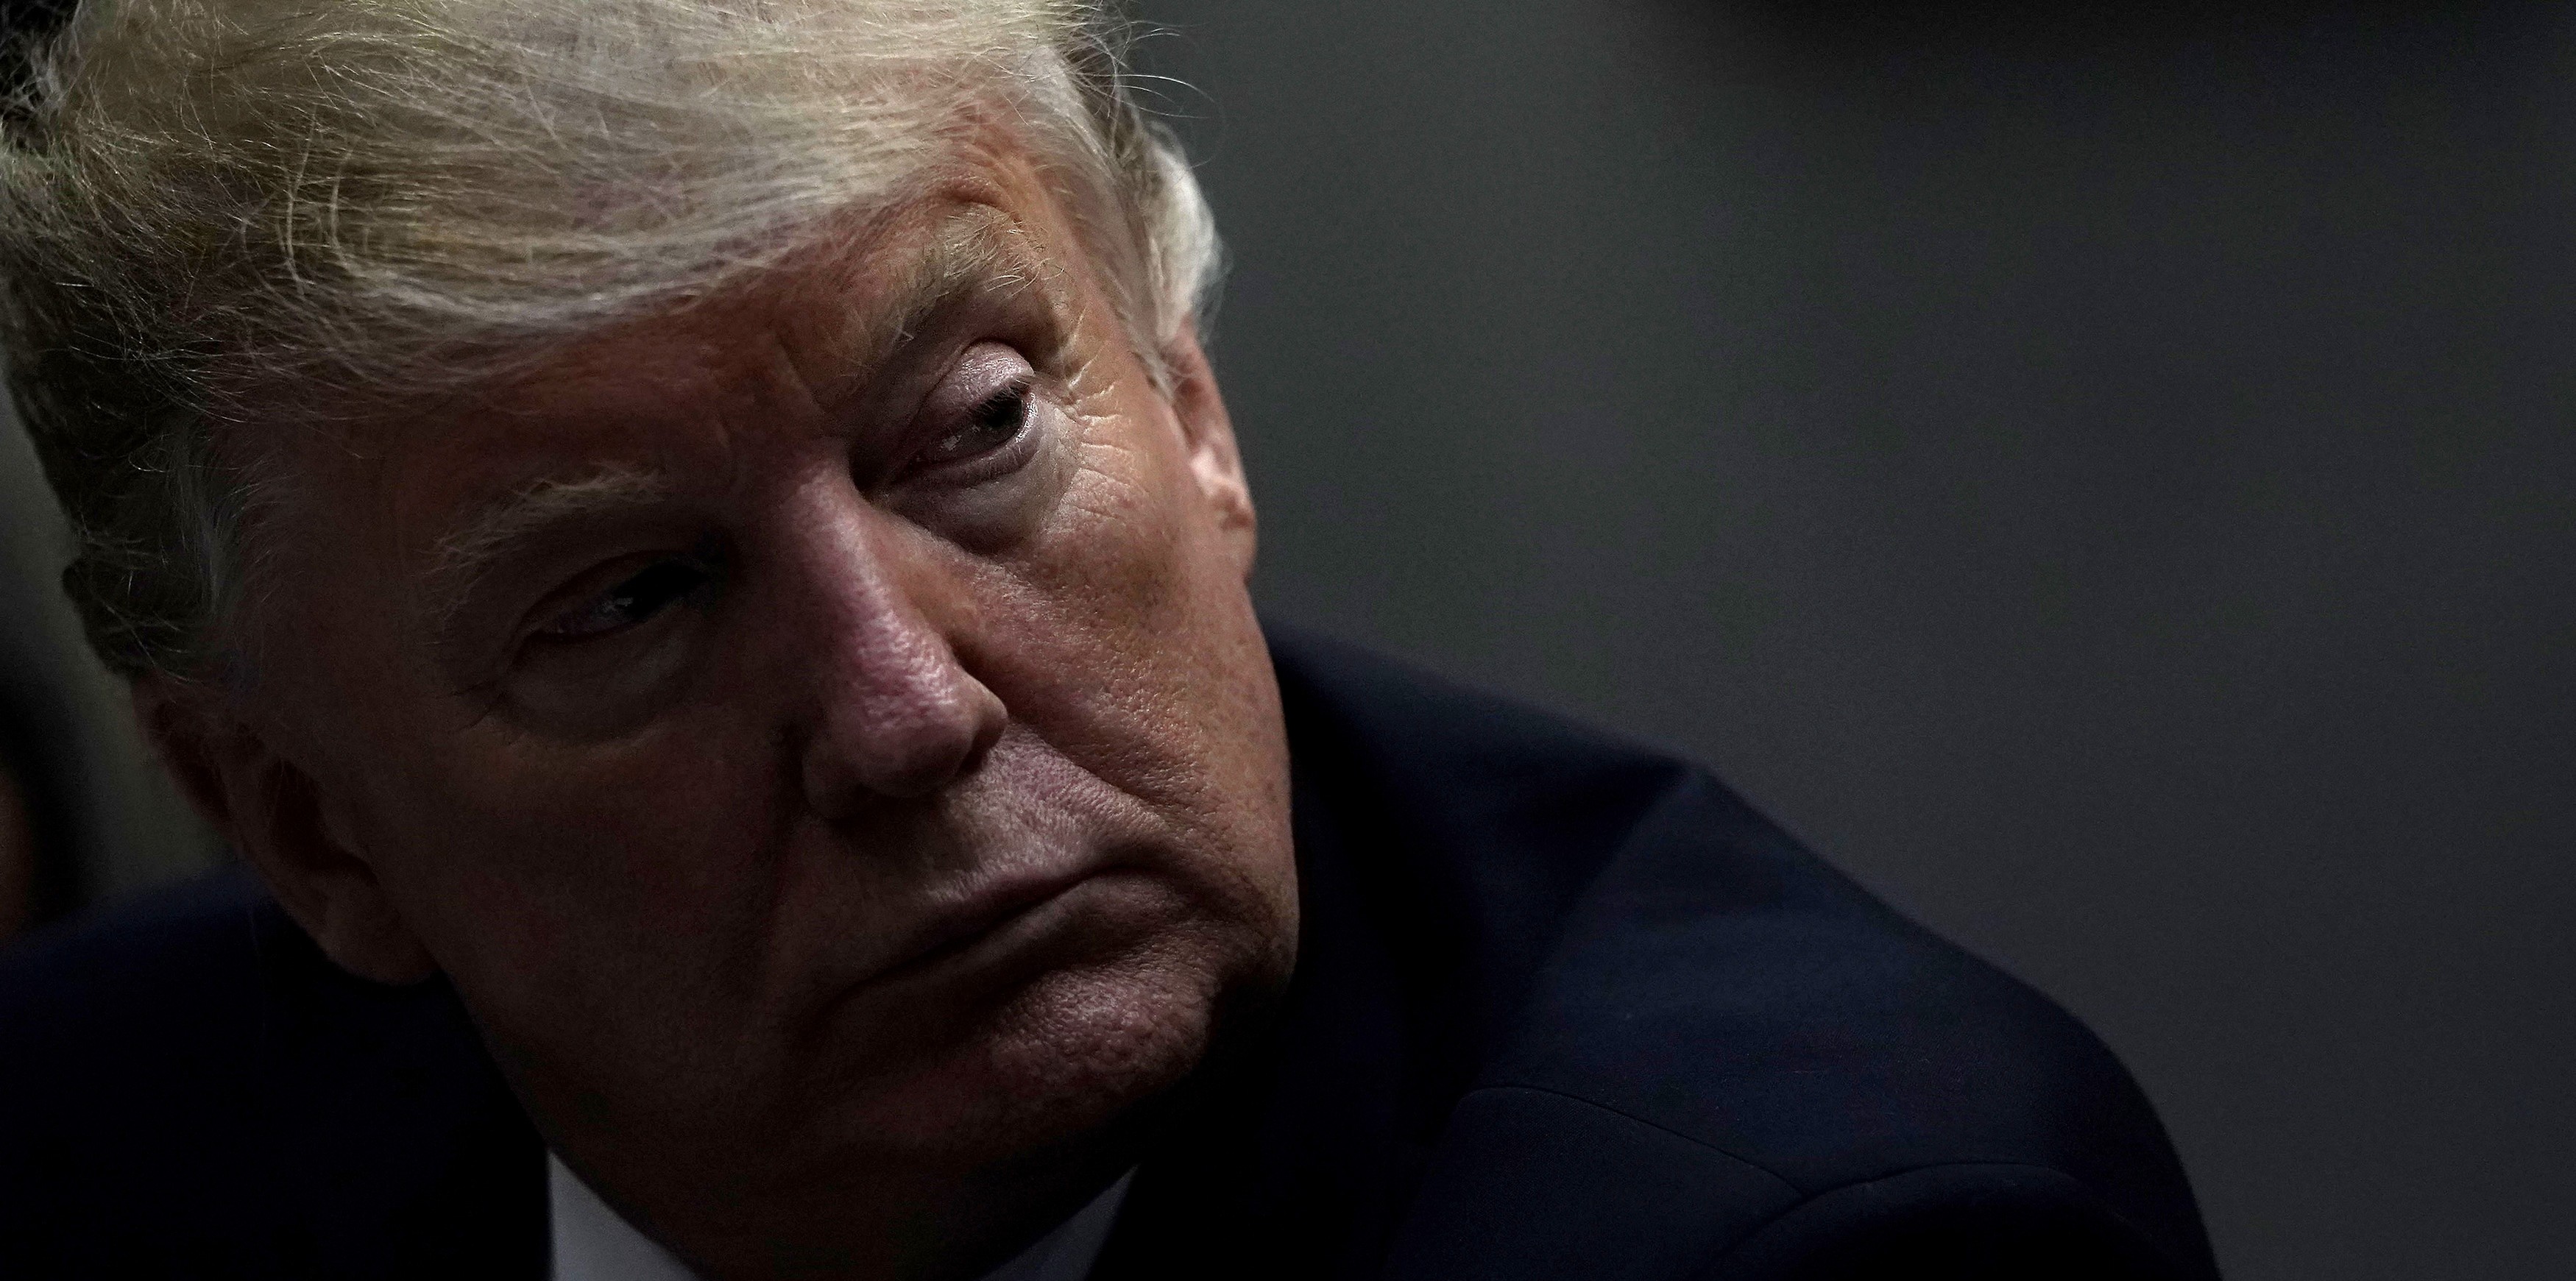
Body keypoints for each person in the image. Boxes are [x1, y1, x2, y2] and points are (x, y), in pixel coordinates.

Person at [0, 1, 2219, 1278]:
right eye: (632, 598)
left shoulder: (1822, 1252)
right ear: (301, 825)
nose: (905, 710)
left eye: (967, 432)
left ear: (1188, 407)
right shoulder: (79, 1156)